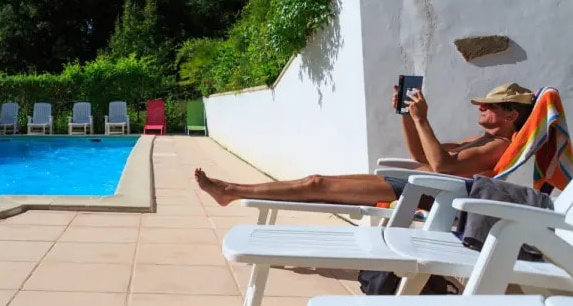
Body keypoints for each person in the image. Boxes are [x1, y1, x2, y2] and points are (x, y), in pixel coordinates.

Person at [195, 82, 535, 207]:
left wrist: (421, 119)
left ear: (510, 114)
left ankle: (231, 190)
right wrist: (406, 115)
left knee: (317, 185)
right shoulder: (480, 139)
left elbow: (442, 168)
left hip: (418, 191)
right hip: (413, 182)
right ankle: (231, 190)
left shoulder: (498, 146)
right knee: (315, 180)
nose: (481, 108)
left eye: (489, 105)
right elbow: (422, 155)